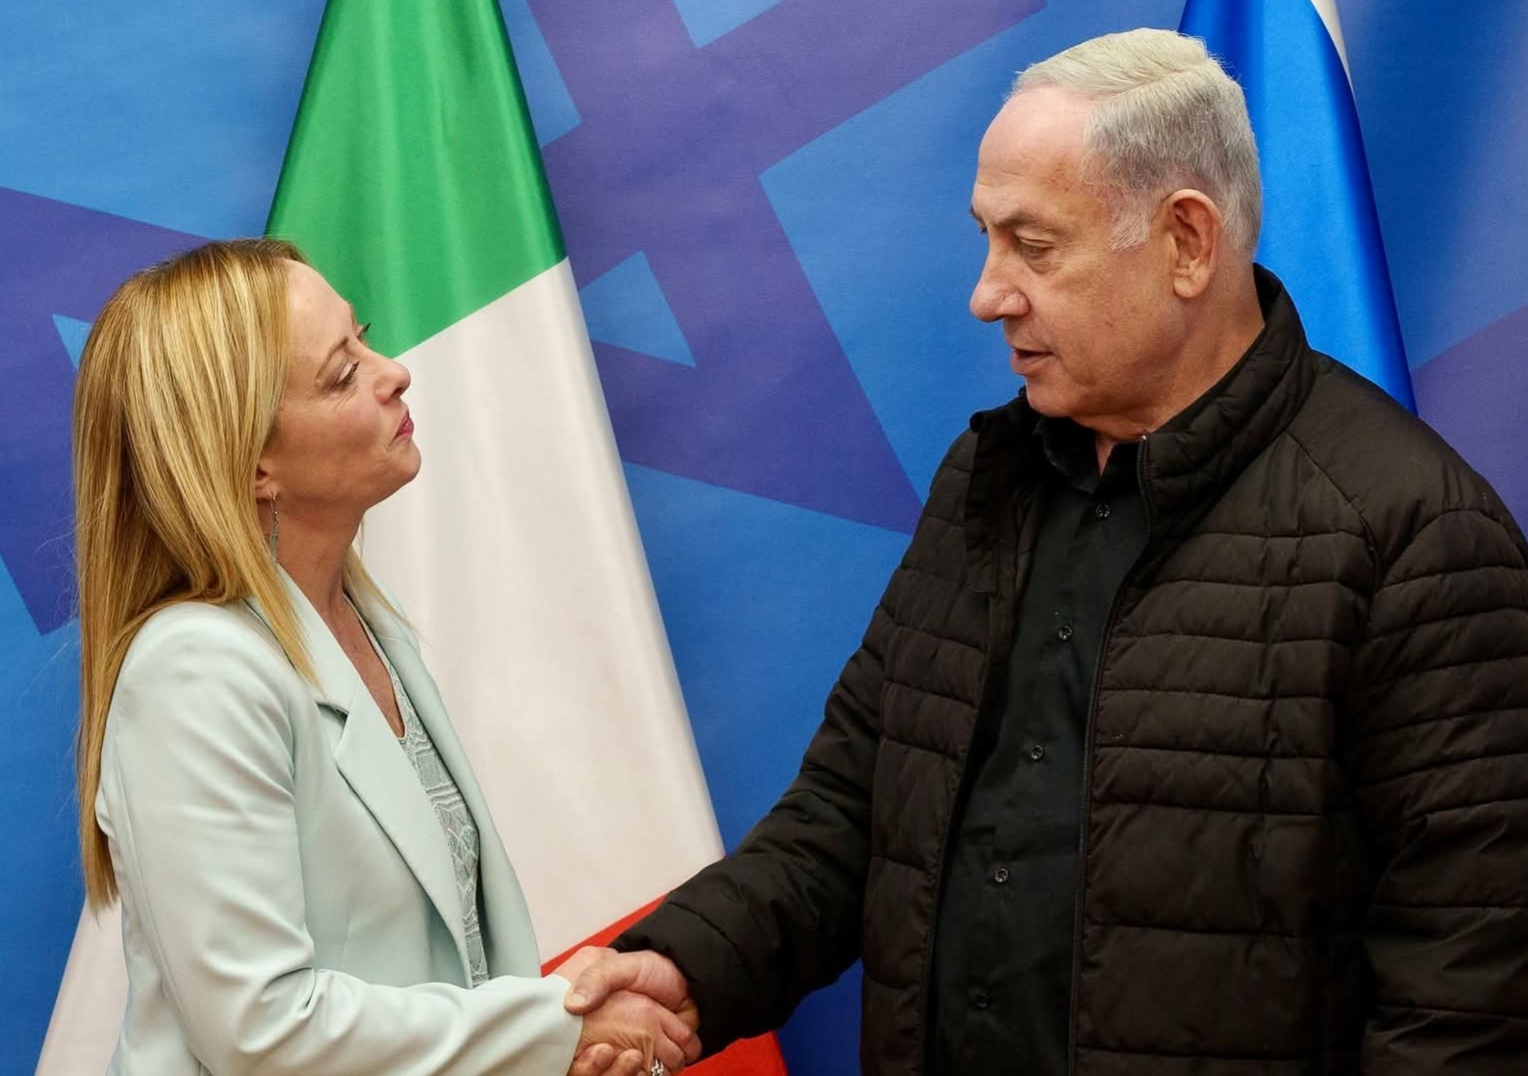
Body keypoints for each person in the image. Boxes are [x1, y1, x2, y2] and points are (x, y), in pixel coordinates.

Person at [562, 27, 1528, 1074]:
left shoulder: (1414, 534)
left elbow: (1466, 987)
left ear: (1187, 241)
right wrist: (687, 965)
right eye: (987, 239)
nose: (987, 294)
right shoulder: (987, 481)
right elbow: (858, 807)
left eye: (1034, 245)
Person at [72, 238, 698, 1076]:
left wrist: (545, 1052)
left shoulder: (364, 622)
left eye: (362, 339)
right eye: (342, 374)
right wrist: (555, 1031)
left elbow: (447, 966)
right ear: (253, 465)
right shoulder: (195, 673)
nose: (395, 371)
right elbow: (261, 1031)